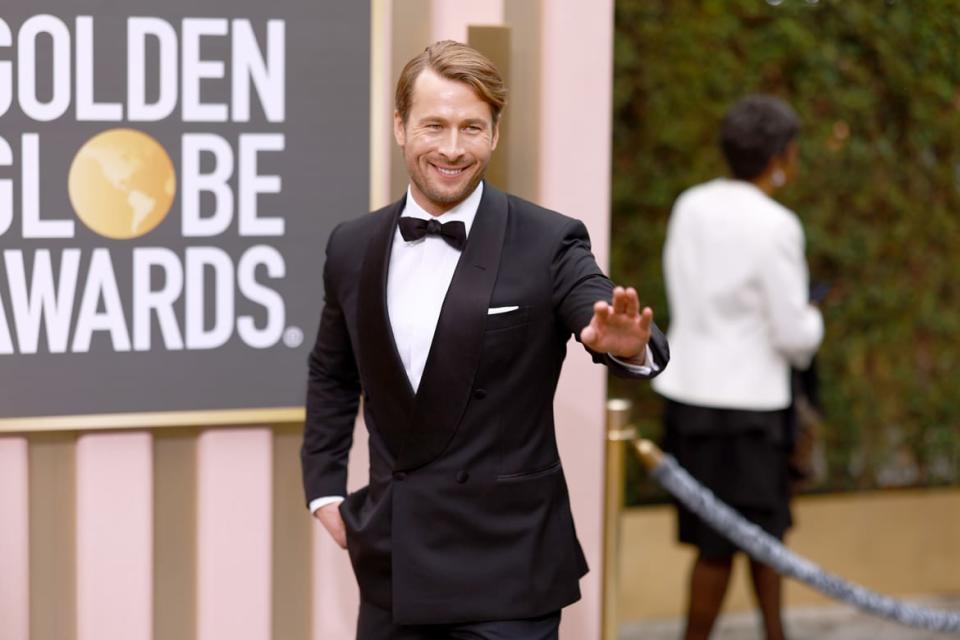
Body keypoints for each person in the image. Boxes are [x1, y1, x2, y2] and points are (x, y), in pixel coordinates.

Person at [300, 41, 669, 640]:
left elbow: (594, 305)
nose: (451, 148)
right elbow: (332, 374)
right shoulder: (351, 245)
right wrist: (323, 489)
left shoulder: (549, 240)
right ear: (400, 126)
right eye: (434, 125)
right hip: (394, 563)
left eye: (472, 127)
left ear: (495, 134)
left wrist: (621, 343)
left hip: (506, 573)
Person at [651, 95, 824, 640]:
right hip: (752, 407)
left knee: (714, 544)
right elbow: (794, 336)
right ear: (779, 156)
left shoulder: (690, 205)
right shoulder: (777, 224)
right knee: (758, 542)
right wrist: (815, 321)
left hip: (689, 396)